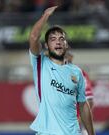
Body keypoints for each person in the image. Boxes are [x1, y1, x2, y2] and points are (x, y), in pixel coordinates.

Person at [29, 6, 95, 135]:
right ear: (47, 46)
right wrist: (45, 16)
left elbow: (83, 105)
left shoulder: (77, 72)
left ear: (66, 45)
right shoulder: (40, 63)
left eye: (61, 39)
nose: (58, 42)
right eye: (53, 39)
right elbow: (33, 37)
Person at [65, 51, 94, 135]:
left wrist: (78, 121)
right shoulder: (51, 72)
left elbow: (89, 100)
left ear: (71, 57)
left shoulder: (78, 73)